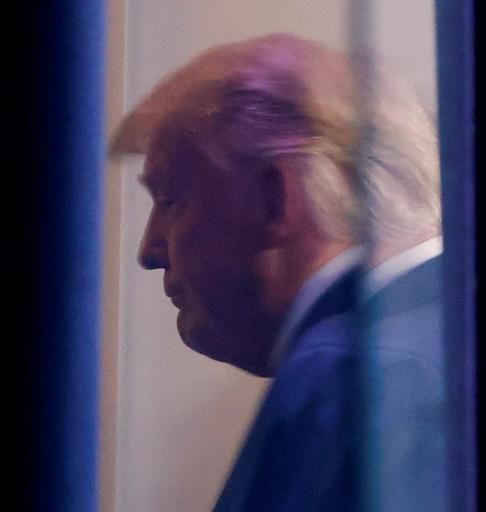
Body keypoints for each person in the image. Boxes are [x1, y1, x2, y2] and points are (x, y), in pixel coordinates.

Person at [110, 33, 445, 511]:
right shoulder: (484, 337)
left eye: (170, 201)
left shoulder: (349, 373)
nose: (149, 250)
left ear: (273, 198)